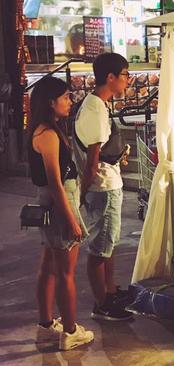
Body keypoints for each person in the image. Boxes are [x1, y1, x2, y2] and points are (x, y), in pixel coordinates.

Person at [29, 76, 95, 350]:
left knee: (48, 267)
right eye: (66, 97)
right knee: (66, 272)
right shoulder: (47, 135)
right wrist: (71, 219)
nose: (70, 101)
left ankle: (46, 326)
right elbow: (55, 183)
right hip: (59, 204)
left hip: (54, 202)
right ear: (50, 102)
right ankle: (70, 331)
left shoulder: (45, 130)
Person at [72, 52, 132, 321]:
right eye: (125, 75)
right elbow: (92, 160)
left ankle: (110, 292)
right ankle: (102, 303)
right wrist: (83, 193)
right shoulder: (95, 108)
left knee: (108, 243)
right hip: (103, 187)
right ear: (110, 77)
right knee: (100, 248)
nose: (128, 80)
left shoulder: (98, 105)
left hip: (108, 183)